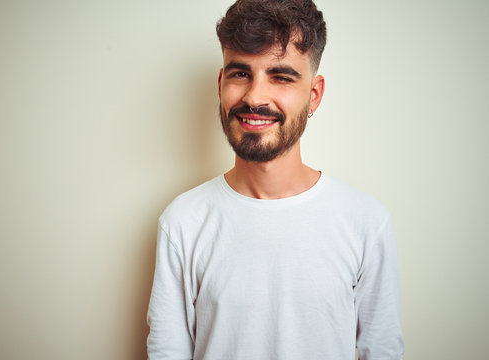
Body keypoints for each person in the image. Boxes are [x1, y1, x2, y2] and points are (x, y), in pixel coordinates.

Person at [147, 0, 404, 358]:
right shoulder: (183, 222)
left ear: (313, 95)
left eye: (281, 77)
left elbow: (382, 350)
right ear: (221, 84)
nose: (254, 97)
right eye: (240, 74)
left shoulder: (366, 222)